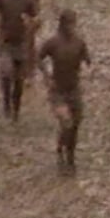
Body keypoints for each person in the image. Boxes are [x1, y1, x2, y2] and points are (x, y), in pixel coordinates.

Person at [37, 9, 92, 176]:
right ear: (61, 25)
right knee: (66, 121)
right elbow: (38, 57)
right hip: (57, 90)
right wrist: (46, 75)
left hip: (74, 89)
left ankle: (70, 156)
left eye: (73, 24)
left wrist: (90, 70)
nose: (71, 27)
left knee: (75, 124)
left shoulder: (79, 42)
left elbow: (87, 59)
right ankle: (60, 149)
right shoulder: (53, 43)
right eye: (68, 24)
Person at [0, 0, 39, 122]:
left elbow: (36, 17)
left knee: (19, 79)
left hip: (21, 41)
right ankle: (6, 104)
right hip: (5, 41)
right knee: (6, 71)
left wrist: (31, 24)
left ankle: (16, 108)